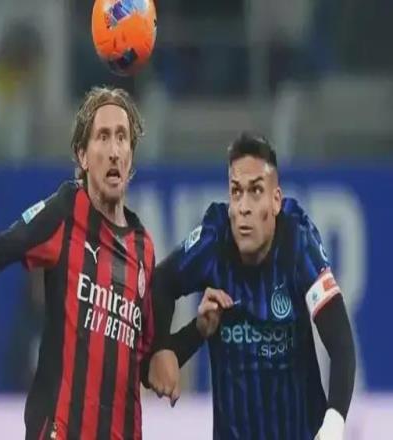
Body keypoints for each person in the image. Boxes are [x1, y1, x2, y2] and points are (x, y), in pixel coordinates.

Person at [0, 86, 167, 440]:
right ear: (82, 156)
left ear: (131, 155)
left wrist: (182, 345)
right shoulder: (65, 213)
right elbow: (0, 248)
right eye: (103, 137)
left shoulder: (144, 247)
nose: (114, 151)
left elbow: (144, 351)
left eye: (122, 138)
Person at [148, 133, 356, 440]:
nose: (243, 207)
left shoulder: (298, 244)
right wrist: (162, 347)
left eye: (256, 191)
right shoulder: (213, 241)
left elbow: (340, 342)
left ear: (276, 201)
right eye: (236, 192)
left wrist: (334, 423)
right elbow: (161, 282)